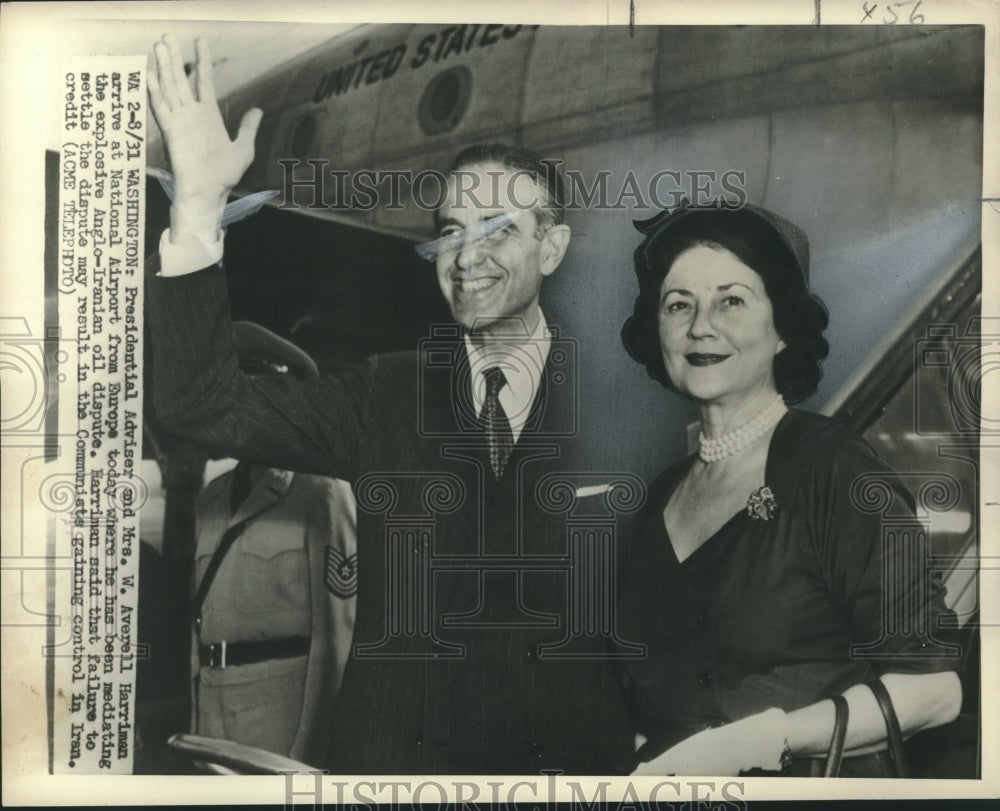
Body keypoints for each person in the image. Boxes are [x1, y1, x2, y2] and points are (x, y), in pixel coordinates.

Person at [145, 35, 634, 774]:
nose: (467, 256)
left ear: (554, 245)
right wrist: (199, 205)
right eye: (448, 234)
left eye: (498, 229)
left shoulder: (628, 405)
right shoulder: (388, 393)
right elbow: (199, 403)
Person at [618, 200, 963, 776]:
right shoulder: (660, 496)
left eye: (732, 300)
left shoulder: (835, 470)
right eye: (679, 305)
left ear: (782, 329)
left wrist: (760, 740)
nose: (701, 326)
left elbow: (936, 692)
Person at [189, 322, 356, 766]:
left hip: (279, 719)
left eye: (260, 402)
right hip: (210, 709)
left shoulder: (321, 491)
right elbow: (199, 623)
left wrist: (311, 749)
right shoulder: (211, 498)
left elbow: (336, 635)